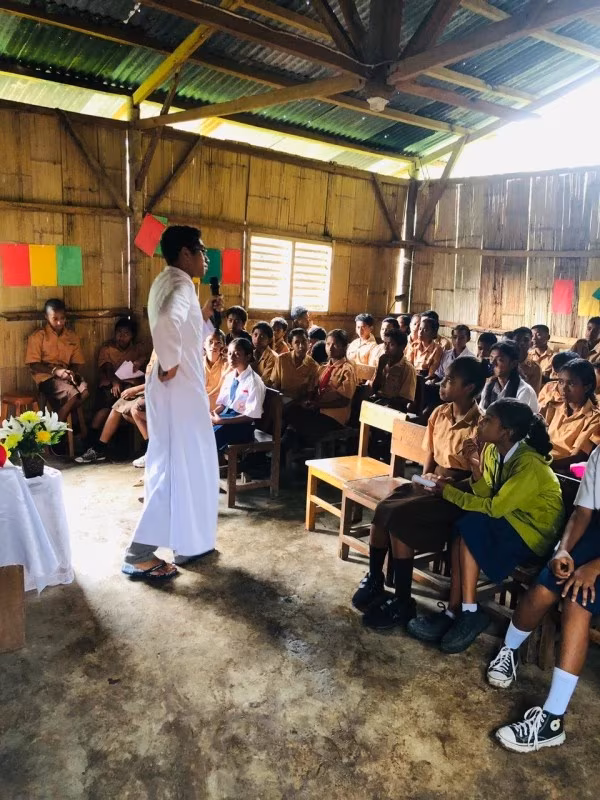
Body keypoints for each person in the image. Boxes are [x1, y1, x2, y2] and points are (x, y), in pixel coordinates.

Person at [408, 399, 564, 653]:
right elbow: (487, 495)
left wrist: (449, 492)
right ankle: (454, 610)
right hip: (509, 521)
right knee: (462, 529)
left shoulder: (530, 465)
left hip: (533, 535)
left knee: (473, 525)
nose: (480, 422)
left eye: (488, 419)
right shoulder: (492, 451)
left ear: (507, 432)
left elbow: (494, 508)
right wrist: (476, 469)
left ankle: (470, 612)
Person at [352, 358, 486, 629]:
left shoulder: (481, 426)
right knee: (382, 512)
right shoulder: (439, 413)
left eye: (450, 380)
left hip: (455, 493)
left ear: (469, 387)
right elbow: (430, 453)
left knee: (400, 519)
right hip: (429, 483)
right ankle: (376, 578)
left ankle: (403, 601)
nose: (443, 384)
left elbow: (479, 477)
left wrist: (444, 486)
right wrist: (423, 477)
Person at [122, 226, 222, 580]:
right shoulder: (180, 286)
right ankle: (139, 553)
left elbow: (183, 328)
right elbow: (166, 322)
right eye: (202, 250)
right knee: (179, 467)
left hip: (176, 390)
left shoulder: (169, 280)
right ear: (185, 253)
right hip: (179, 390)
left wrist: (205, 315)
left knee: (186, 465)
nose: (206, 258)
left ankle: (188, 542)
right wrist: (169, 363)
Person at [488, 444, 600, 752]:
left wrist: (594, 567)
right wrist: (562, 550)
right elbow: (583, 512)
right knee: (546, 585)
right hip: (595, 534)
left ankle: (552, 721)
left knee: (579, 600)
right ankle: (508, 651)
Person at [75, 353, 157, 466]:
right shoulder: (156, 348)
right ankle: (99, 449)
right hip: (147, 389)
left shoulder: (167, 348)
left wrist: (136, 388)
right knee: (120, 407)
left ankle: (153, 450)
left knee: (135, 410)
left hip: (159, 393)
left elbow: (162, 380)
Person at [284, 329, 357, 444]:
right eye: (328, 344)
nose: (330, 348)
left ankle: (290, 450)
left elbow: (344, 401)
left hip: (334, 417)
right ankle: (289, 447)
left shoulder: (347, 369)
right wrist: (308, 401)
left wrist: (318, 405)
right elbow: (313, 390)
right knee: (290, 410)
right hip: (318, 411)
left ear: (344, 347)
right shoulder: (323, 368)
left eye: (336, 345)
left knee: (298, 427)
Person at [25, 298, 88, 422]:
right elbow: (33, 364)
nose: (60, 323)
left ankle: (58, 418)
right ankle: (57, 427)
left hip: (67, 375)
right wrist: (56, 371)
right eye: (55, 319)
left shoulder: (72, 336)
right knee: (73, 394)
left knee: (84, 391)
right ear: (46, 317)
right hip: (46, 378)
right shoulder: (38, 337)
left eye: (62, 318)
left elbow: (77, 362)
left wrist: (70, 373)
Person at [88, 317, 148, 444]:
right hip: (110, 383)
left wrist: (139, 361)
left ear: (132, 336)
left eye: (126, 334)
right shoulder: (107, 348)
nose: (122, 337)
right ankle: (91, 441)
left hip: (129, 386)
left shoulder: (137, 349)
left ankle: (107, 445)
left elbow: (146, 366)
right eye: (119, 333)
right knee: (104, 408)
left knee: (123, 406)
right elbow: (107, 368)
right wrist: (115, 382)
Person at [540, 359, 600, 472]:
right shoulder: (552, 406)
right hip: (540, 460)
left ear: (587, 387)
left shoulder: (595, 418)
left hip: (562, 471)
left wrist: (544, 464)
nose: (563, 388)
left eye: (571, 383)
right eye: (561, 382)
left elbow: (578, 457)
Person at [212, 338, 266, 452]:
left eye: (237, 354)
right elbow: (223, 405)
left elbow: (250, 416)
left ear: (248, 356)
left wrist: (222, 421)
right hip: (227, 417)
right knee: (202, 431)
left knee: (212, 437)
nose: (231, 358)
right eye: (230, 353)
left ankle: (210, 468)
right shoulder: (230, 376)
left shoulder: (254, 382)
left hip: (243, 425)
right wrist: (212, 415)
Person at [479, 341, 539, 413]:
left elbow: (518, 422)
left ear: (513, 364)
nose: (492, 363)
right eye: (491, 358)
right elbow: (482, 411)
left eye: (500, 360)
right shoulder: (489, 385)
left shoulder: (524, 391)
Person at [370, 329, 416, 410]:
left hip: (395, 407)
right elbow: (374, 389)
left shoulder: (407, 368)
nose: (386, 348)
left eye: (391, 344)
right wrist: (380, 368)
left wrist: (386, 401)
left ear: (402, 347)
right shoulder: (382, 362)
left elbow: (406, 399)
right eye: (385, 344)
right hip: (379, 402)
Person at [271, 328, 318, 401]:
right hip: (281, 401)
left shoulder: (313, 366)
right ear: (291, 345)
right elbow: (275, 384)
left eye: (304, 341)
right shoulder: (281, 359)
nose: (301, 346)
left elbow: (310, 392)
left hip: (300, 404)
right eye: (297, 342)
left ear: (308, 342)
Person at [204, 330, 229, 412]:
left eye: (218, 343)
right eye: (210, 342)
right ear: (204, 345)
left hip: (219, 412)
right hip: (196, 409)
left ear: (224, 346)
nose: (214, 346)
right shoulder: (196, 364)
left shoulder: (228, 365)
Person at [513, 327, 542, 394]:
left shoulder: (535, 368)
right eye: (518, 340)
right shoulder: (506, 363)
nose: (521, 343)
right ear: (512, 342)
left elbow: (533, 393)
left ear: (531, 344)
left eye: (526, 340)